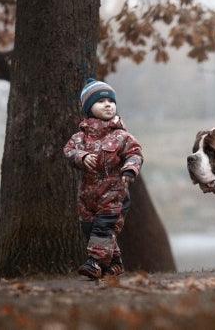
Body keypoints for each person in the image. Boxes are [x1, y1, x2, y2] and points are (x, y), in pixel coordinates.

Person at [63, 78, 142, 279]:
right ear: (89, 107)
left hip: (114, 194)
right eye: (101, 101)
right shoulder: (80, 137)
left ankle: (94, 263)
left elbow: (135, 154)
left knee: (104, 229)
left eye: (111, 101)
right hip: (87, 195)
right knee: (89, 229)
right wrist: (81, 157)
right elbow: (69, 151)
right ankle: (114, 264)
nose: (108, 104)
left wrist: (130, 170)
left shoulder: (122, 136)